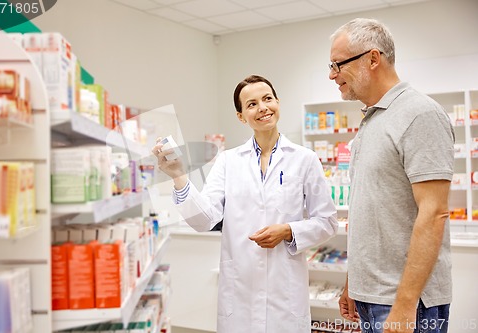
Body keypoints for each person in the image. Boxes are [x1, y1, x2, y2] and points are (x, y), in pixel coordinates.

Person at [153, 74, 338, 333]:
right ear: (241, 116)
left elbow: (327, 221)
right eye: (251, 104)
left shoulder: (304, 159)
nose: (262, 107)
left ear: (278, 103)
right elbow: (204, 219)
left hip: (285, 292)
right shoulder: (228, 161)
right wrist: (178, 176)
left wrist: (288, 231)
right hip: (240, 291)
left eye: (267, 99)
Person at [329, 18, 454, 333]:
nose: (332, 75)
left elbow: (434, 213)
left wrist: (405, 304)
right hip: (373, 295)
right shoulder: (373, 120)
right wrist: (353, 283)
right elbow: (369, 210)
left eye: (337, 65)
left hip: (407, 302)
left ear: (372, 59)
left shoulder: (420, 114)